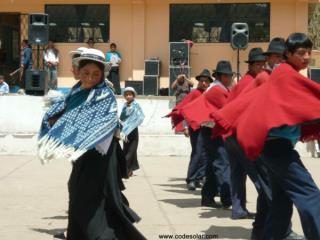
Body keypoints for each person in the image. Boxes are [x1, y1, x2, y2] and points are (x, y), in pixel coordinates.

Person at [210, 32, 320, 240]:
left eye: (308, 52)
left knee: (280, 199)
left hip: (271, 146)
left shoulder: (281, 75)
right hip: (275, 146)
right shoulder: (285, 75)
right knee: (310, 195)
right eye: (300, 53)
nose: (306, 57)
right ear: (286, 55)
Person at [38, 48, 146, 240]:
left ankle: (100, 235)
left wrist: (65, 123)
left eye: (96, 74)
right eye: (86, 73)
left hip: (101, 156)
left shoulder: (105, 95)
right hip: (83, 155)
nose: (90, 78)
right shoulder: (75, 92)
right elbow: (61, 114)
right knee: (78, 190)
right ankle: (78, 234)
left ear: (102, 74)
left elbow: (95, 124)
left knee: (92, 196)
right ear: (77, 72)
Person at [181, 61, 233, 208]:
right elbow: (228, 109)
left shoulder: (217, 88)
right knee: (222, 164)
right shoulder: (217, 90)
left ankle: (208, 196)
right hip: (213, 131)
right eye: (229, 76)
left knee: (211, 165)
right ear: (223, 76)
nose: (231, 79)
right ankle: (227, 198)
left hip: (209, 131)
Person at [120, 87, 145, 177]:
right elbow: (122, 118)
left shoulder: (136, 105)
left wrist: (132, 123)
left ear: (133, 95)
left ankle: (125, 170)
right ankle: (130, 169)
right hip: (125, 132)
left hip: (133, 131)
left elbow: (140, 116)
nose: (128, 96)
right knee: (126, 150)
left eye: (130, 94)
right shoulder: (124, 106)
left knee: (131, 151)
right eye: (126, 95)